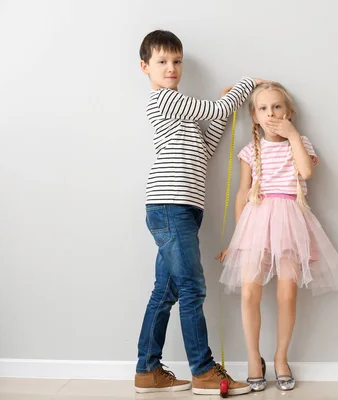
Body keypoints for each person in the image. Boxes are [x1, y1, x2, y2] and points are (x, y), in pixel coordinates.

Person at [134, 29, 268, 395]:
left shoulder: (183, 113)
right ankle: (203, 371)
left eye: (176, 61)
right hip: (168, 204)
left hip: (185, 208)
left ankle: (147, 370)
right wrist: (244, 86)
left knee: (167, 291)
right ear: (145, 67)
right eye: (162, 61)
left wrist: (224, 108)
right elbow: (218, 109)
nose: (171, 68)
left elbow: (207, 146)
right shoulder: (164, 101)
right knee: (193, 287)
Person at [216, 82, 338, 392]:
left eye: (277, 107)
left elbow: (306, 173)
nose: (271, 113)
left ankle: (280, 357)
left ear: (290, 113)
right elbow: (242, 193)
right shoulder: (250, 150)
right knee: (250, 292)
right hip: (257, 222)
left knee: (287, 293)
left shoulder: (299, 142)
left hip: (290, 221)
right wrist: (237, 241)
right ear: (254, 116)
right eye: (263, 108)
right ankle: (253, 358)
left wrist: (292, 136)